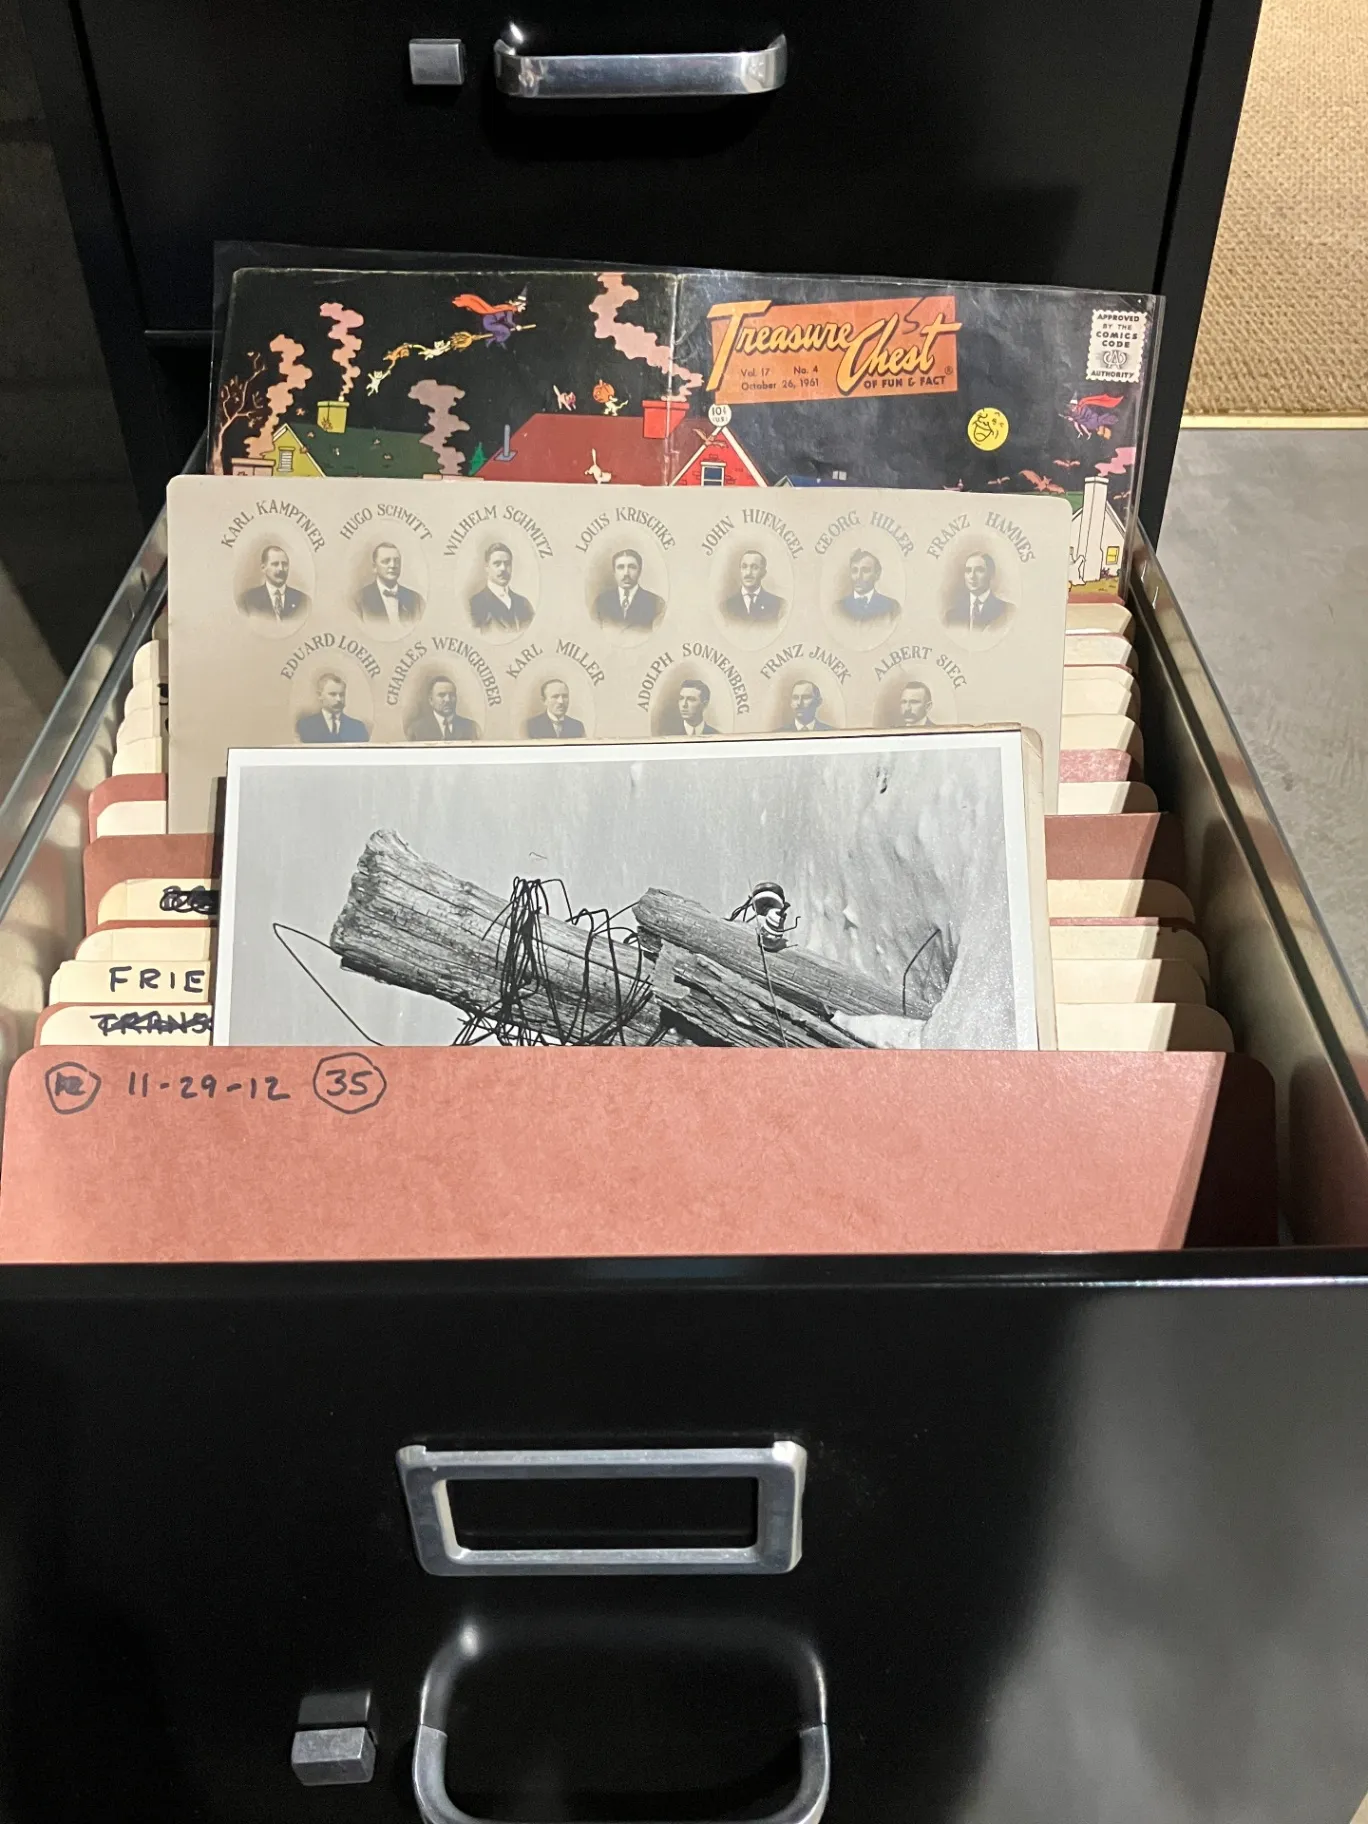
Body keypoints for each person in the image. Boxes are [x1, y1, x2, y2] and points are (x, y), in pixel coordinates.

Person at [354, 541, 424, 628]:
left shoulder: (417, 600)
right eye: (386, 561)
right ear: (374, 567)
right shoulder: (358, 600)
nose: (393, 565)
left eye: (397, 561)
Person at [469, 542, 534, 632]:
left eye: (507, 564)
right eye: (497, 564)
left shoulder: (524, 604)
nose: (503, 568)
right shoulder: (474, 604)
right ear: (487, 568)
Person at [593, 549, 664, 629]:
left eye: (632, 567)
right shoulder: (601, 602)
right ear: (614, 572)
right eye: (620, 567)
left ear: (639, 571)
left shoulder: (656, 603)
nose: (626, 573)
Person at [945, 551, 1014, 632]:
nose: (972, 576)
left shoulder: (1007, 612)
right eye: (968, 570)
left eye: (979, 570)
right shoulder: (952, 616)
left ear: (991, 574)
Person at [239, 544, 309, 622]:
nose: (281, 569)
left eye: (285, 564)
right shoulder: (247, 600)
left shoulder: (303, 601)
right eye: (275, 564)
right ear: (263, 568)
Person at [296, 672, 369, 743]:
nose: (339, 699)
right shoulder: (305, 725)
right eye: (333, 694)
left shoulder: (358, 728)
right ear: (319, 695)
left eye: (342, 695)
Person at [405, 675, 478, 742]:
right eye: (442, 695)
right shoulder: (415, 730)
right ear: (431, 700)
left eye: (451, 695)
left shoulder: (472, 728)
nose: (448, 699)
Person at [835, 549, 899, 621]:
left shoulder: (891, 607)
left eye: (865, 570)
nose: (858, 576)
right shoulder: (838, 608)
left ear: (877, 575)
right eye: (854, 571)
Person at [722, 548, 784, 622]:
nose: (748, 573)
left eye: (754, 568)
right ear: (740, 570)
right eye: (744, 567)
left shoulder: (779, 605)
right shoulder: (724, 607)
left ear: (763, 573)